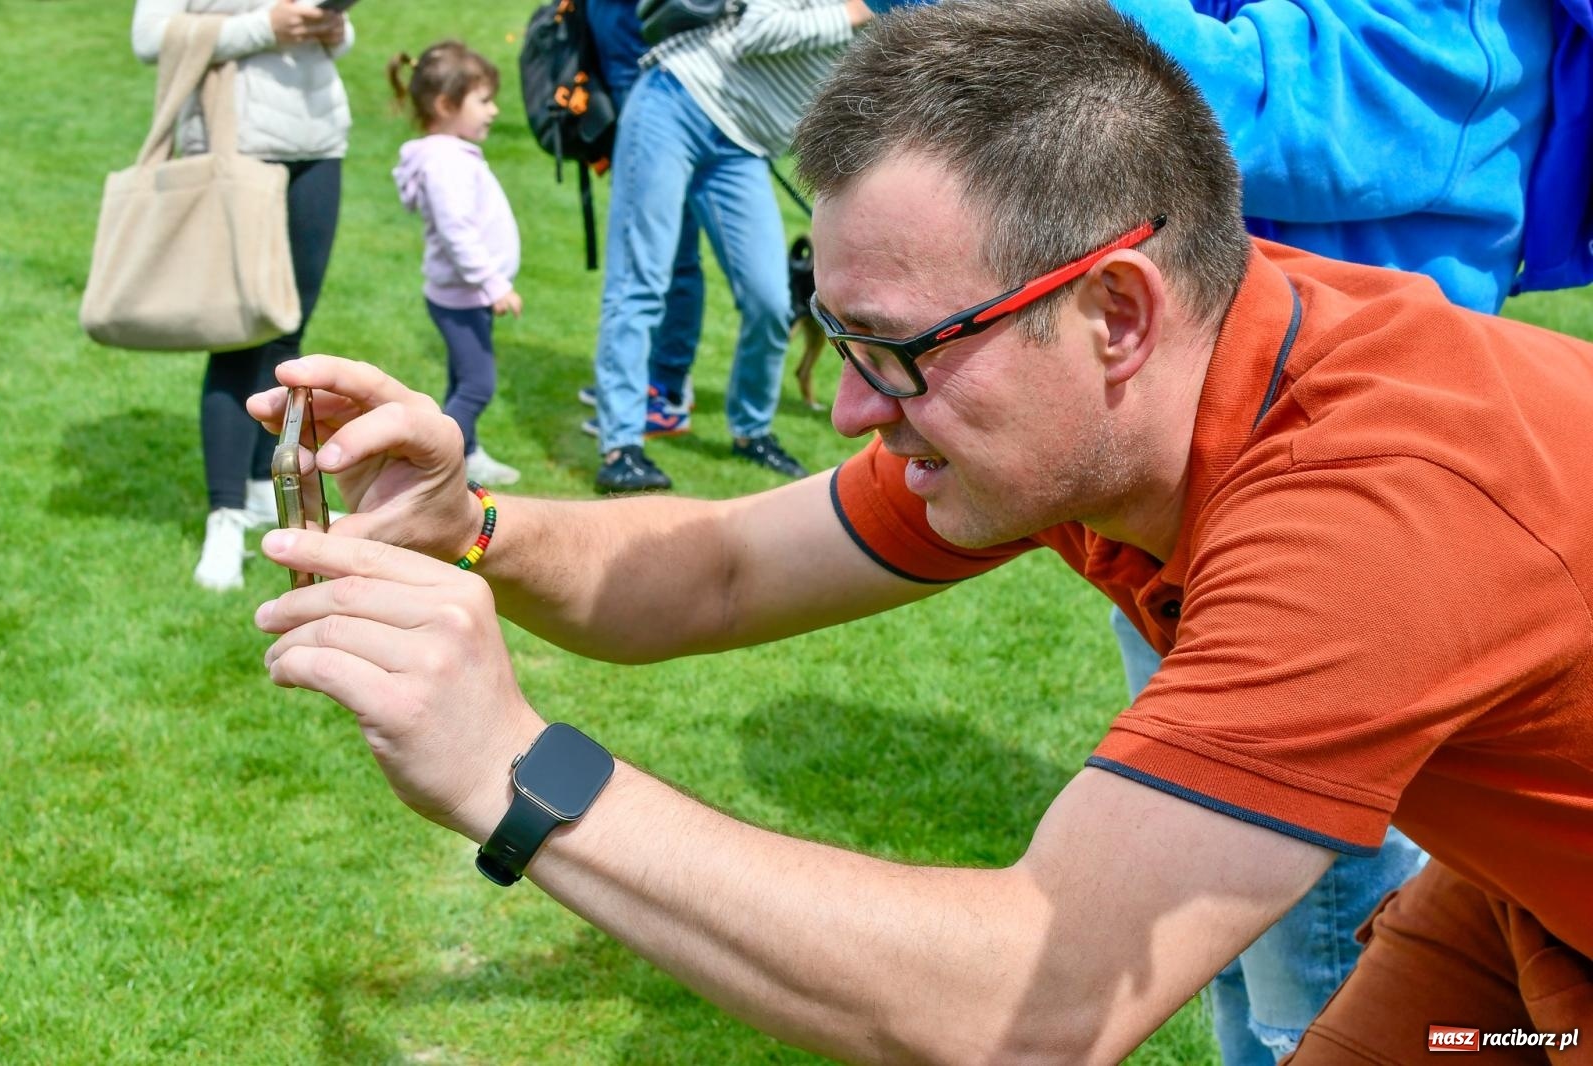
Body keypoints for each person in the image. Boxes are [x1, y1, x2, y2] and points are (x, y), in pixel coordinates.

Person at [251, 0, 1593, 1056]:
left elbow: (1025, 1005)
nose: (849, 406)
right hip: (1523, 900)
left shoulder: (1367, 501)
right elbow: (719, 573)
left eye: (895, 349)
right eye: (838, 337)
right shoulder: (1122, 391)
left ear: (1117, 313)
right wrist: (470, 522)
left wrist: (513, 768)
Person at [1092, 1, 1557, 1058]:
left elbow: (1239, 104)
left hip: (1345, 543)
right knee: (1222, 936)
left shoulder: (1469, 20)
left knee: (1324, 980)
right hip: (1219, 502)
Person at [587, 0, 873, 492]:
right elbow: (754, 30)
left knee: (770, 300)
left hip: (743, 147)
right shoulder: (861, 10)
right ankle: (622, 447)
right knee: (640, 283)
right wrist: (853, 13)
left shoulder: (904, 18)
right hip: (677, 99)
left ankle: (752, 431)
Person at [132, 0, 353, 592]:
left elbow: (337, 36)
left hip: (318, 141)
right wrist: (266, 27)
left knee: (290, 332)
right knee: (237, 335)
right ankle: (224, 516)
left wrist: (333, 26)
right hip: (235, 149)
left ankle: (262, 487)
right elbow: (150, 37)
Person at [389, 41, 523, 489]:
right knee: (478, 386)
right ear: (446, 105)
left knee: (462, 380)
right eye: (483, 101)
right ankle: (429, 469)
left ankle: (466, 454)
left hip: (464, 295)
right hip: (465, 296)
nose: (494, 110)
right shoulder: (446, 164)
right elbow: (457, 232)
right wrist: (493, 284)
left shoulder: (444, 156)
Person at [576, 0, 707, 442]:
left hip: (659, 75)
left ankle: (667, 388)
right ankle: (634, 383)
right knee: (647, 256)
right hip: (620, 70)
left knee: (670, 255)